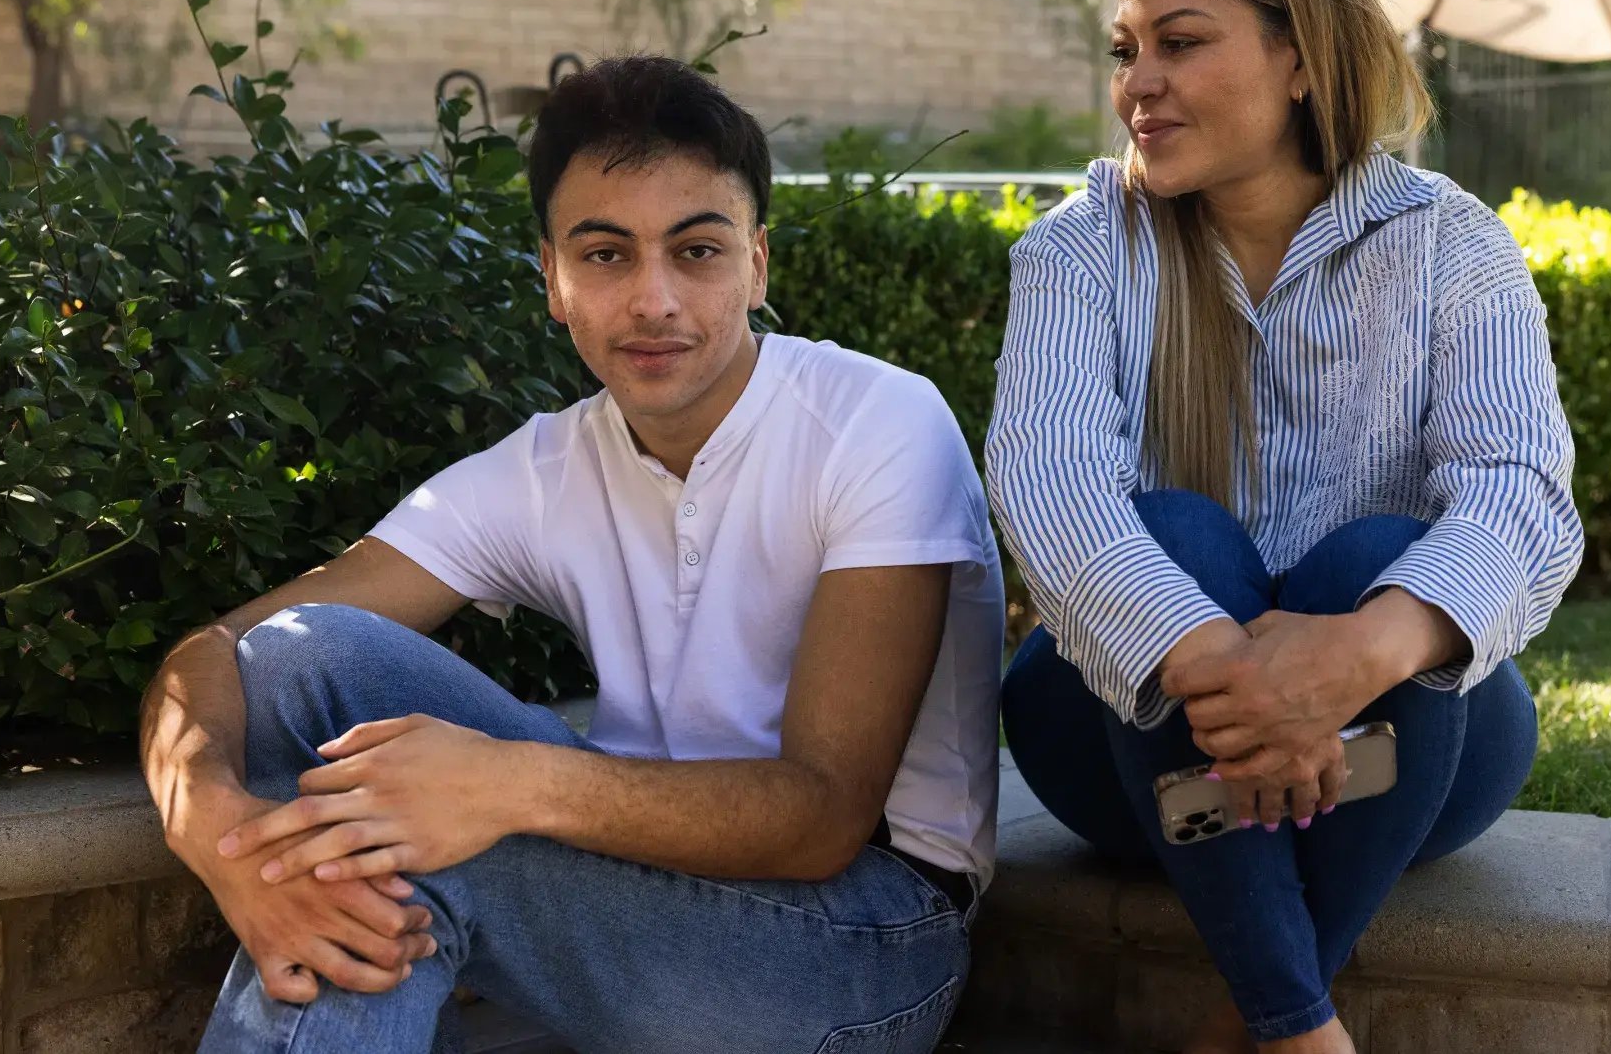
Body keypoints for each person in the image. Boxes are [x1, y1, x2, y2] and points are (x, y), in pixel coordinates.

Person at [139, 54, 1005, 1054]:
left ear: (758, 265)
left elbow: (821, 816)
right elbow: (226, 650)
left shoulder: (877, 423)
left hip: (867, 940)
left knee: (393, 844)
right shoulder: (548, 467)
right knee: (305, 659)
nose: (654, 300)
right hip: (642, 893)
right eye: (605, 255)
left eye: (697, 251)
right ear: (551, 278)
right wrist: (210, 826)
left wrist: (505, 784)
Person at [986, 0, 1584, 1054]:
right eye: (1127, 46)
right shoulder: (1079, 249)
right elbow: (1048, 487)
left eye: (1181, 40)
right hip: (1124, 745)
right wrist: (1226, 665)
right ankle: (1301, 1030)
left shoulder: (1449, 244)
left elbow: (1524, 492)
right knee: (1181, 539)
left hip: (1400, 748)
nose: (1137, 81)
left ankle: (1253, 1015)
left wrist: (1363, 648)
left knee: (1383, 562)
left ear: (1300, 56)